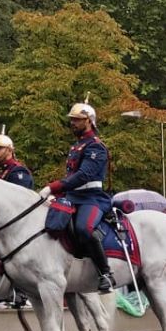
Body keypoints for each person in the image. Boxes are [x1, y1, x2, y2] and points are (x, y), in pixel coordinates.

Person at [42, 102, 115, 291]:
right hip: (73, 196)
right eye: (72, 120)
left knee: (84, 228)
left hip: (92, 198)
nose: (72, 123)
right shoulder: (77, 145)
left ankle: (105, 273)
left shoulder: (95, 147)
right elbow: (72, 177)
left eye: (77, 120)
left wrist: (53, 187)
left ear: (89, 121)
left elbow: (84, 175)